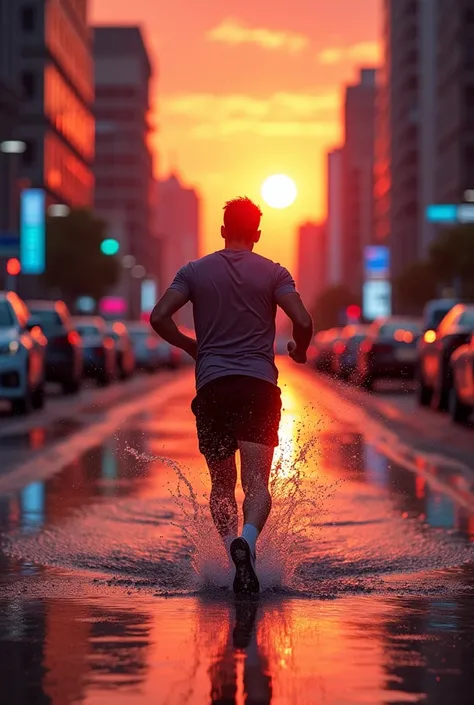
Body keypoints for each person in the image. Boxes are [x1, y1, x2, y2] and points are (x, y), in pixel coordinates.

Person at [150, 197, 313, 594]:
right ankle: (249, 543)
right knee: (257, 484)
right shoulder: (275, 273)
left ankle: (229, 552)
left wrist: (193, 348)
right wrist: (301, 351)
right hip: (258, 386)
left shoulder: (193, 272)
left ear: (222, 230)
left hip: (213, 388)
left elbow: (158, 317)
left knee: (221, 486)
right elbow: (303, 321)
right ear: (257, 234)